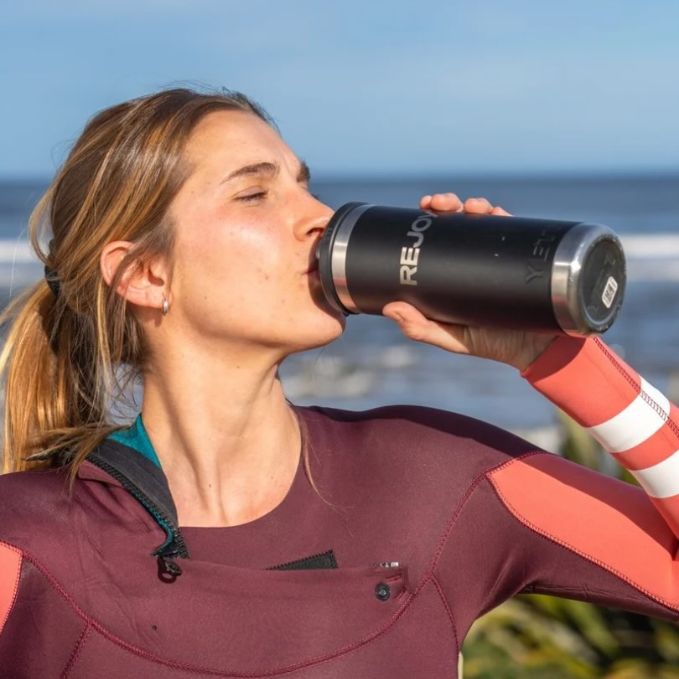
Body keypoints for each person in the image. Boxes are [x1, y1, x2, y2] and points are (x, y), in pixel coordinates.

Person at [0, 88, 676, 678]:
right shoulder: (28, 537)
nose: (321, 215)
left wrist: (562, 357)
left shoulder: (430, 478)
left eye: (305, 185)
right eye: (255, 193)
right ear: (144, 274)